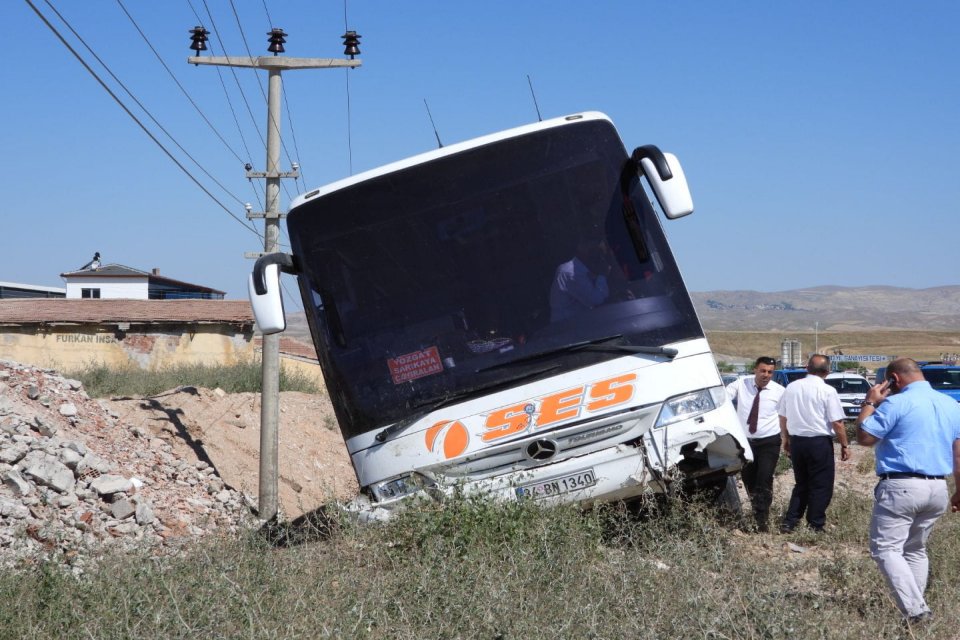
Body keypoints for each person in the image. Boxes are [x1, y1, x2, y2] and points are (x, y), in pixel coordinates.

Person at [855, 357, 960, 624]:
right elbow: (958, 453)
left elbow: (864, 438)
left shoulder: (896, 403)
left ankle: (916, 611)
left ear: (894, 379)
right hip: (938, 486)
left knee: (886, 549)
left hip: (901, 485)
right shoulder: (951, 404)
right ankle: (915, 609)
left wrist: (870, 403)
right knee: (915, 549)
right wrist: (959, 489)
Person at [777, 353, 850, 533]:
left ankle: (790, 522)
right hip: (819, 442)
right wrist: (844, 445)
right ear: (827, 371)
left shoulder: (792, 387)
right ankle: (815, 524)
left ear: (807, 368)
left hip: (798, 441)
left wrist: (786, 439)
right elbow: (837, 422)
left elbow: (783, 416)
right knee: (821, 484)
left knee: (801, 483)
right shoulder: (827, 391)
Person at [726, 356, 785, 532]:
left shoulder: (780, 391)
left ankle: (762, 521)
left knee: (764, 478)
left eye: (770, 372)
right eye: (763, 371)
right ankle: (755, 511)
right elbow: (723, 397)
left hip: (769, 441)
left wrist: (788, 439)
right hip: (745, 443)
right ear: (755, 370)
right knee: (749, 479)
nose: (766, 375)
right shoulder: (741, 384)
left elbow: (785, 416)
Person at [549, 237, 625, 322]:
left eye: (600, 251)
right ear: (581, 247)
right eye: (593, 249)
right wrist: (602, 275)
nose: (598, 255)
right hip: (565, 325)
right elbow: (596, 300)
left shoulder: (589, 269)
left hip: (581, 322)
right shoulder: (570, 272)